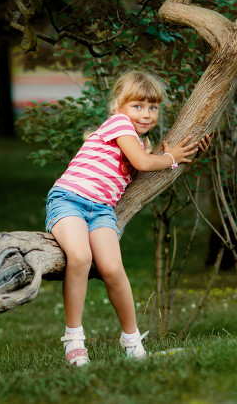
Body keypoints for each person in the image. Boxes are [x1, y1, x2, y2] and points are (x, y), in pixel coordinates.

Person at [45, 69, 207, 366]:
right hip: (69, 201)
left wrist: (190, 150)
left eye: (153, 107)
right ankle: (74, 339)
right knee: (79, 257)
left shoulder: (140, 142)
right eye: (138, 106)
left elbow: (149, 158)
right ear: (119, 106)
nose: (146, 114)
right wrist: (171, 158)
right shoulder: (119, 124)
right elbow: (145, 163)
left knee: (113, 268)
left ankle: (132, 342)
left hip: (102, 211)